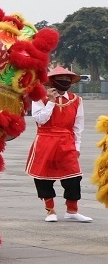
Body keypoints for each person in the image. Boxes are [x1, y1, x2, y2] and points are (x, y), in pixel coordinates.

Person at [25, 66, 91, 222]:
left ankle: (72, 210)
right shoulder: (39, 98)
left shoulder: (76, 100)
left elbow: (78, 127)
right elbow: (40, 120)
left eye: (68, 79)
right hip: (45, 139)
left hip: (66, 141)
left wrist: (77, 147)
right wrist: (51, 102)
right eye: (61, 79)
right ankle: (50, 211)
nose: (65, 81)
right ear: (53, 81)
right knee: (43, 178)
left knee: (74, 177)